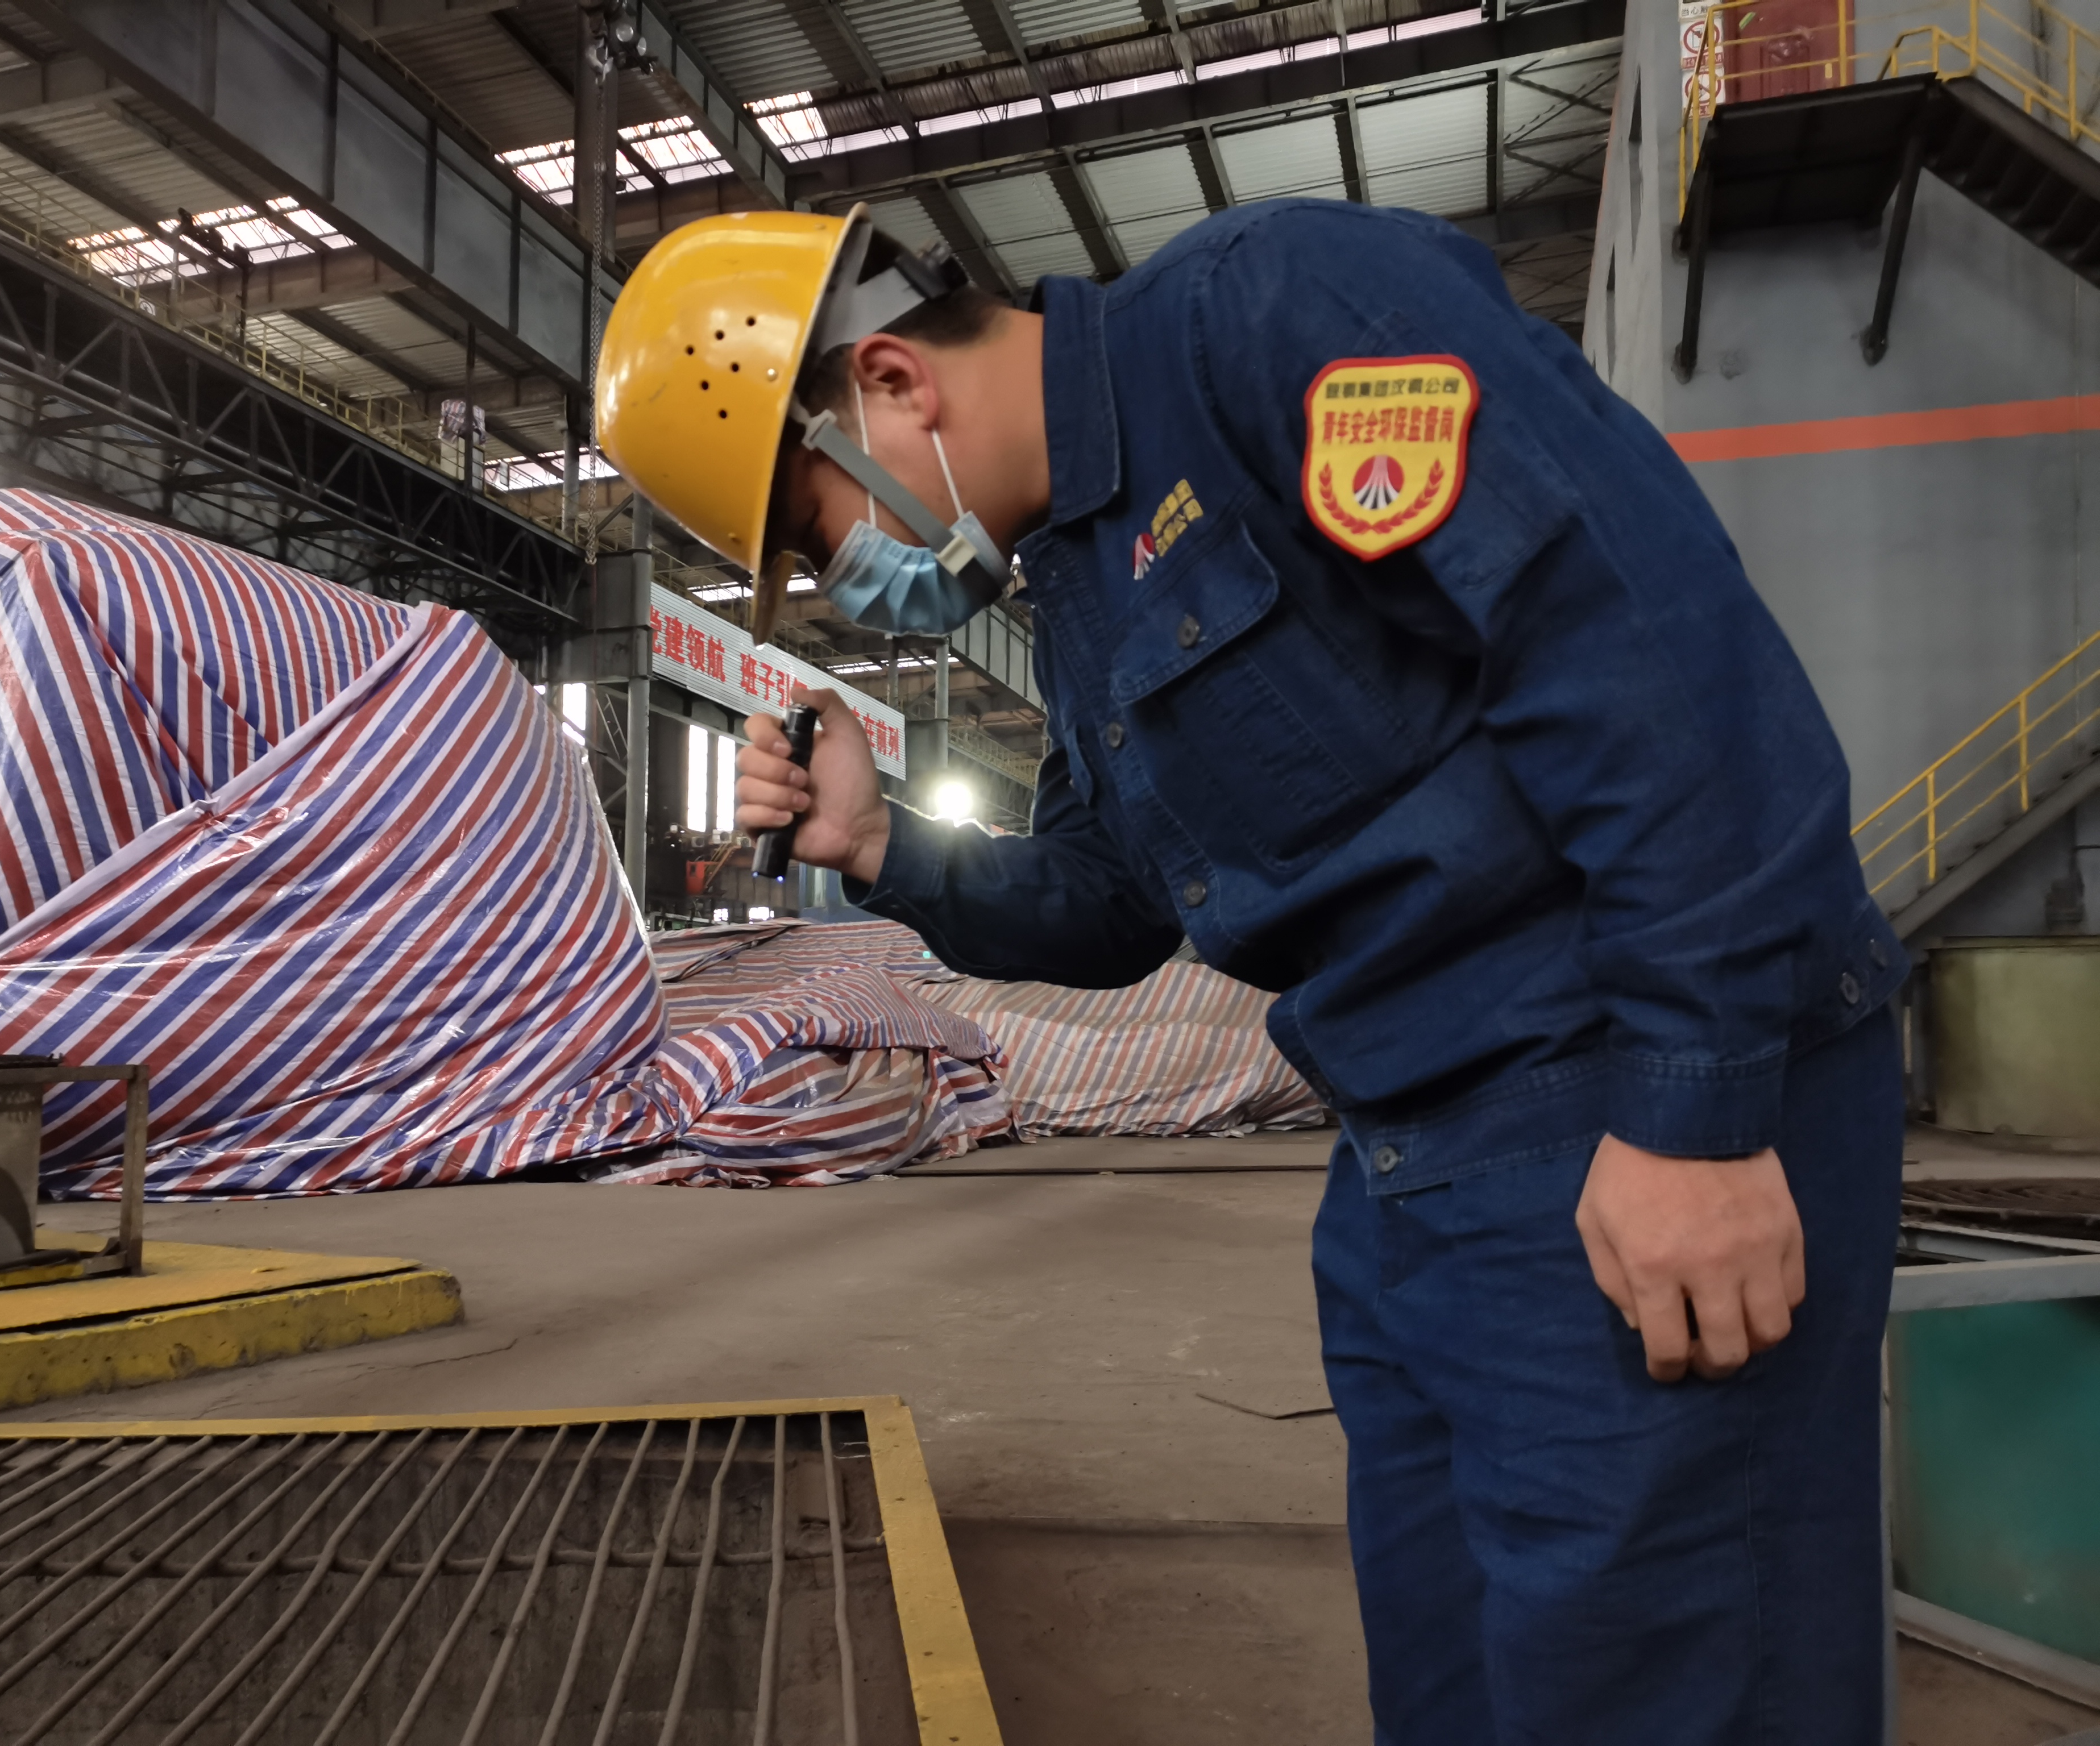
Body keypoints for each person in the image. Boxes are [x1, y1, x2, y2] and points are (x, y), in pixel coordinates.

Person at [593, 198, 1904, 1743]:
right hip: (1409, 1161)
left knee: (1663, 1677)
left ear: (889, 382)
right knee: (1462, 1683)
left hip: (1612, 1104)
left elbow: (1631, 635)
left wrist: (1693, 1108)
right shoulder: (1077, 592)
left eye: (819, 535)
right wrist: (879, 853)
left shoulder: (1271, 317)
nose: (843, 584)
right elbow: (1109, 907)